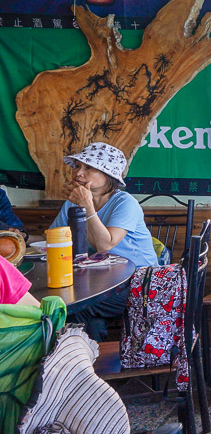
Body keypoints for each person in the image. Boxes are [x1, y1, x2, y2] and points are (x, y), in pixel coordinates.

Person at [50, 142, 157, 340]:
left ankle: (71, 364)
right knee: (80, 310)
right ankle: (89, 362)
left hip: (139, 284)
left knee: (72, 309)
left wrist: (86, 206)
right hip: (99, 281)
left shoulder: (125, 203)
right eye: (77, 166)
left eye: (88, 167)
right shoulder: (72, 202)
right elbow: (54, 238)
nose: (78, 174)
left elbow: (105, 245)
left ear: (109, 175)